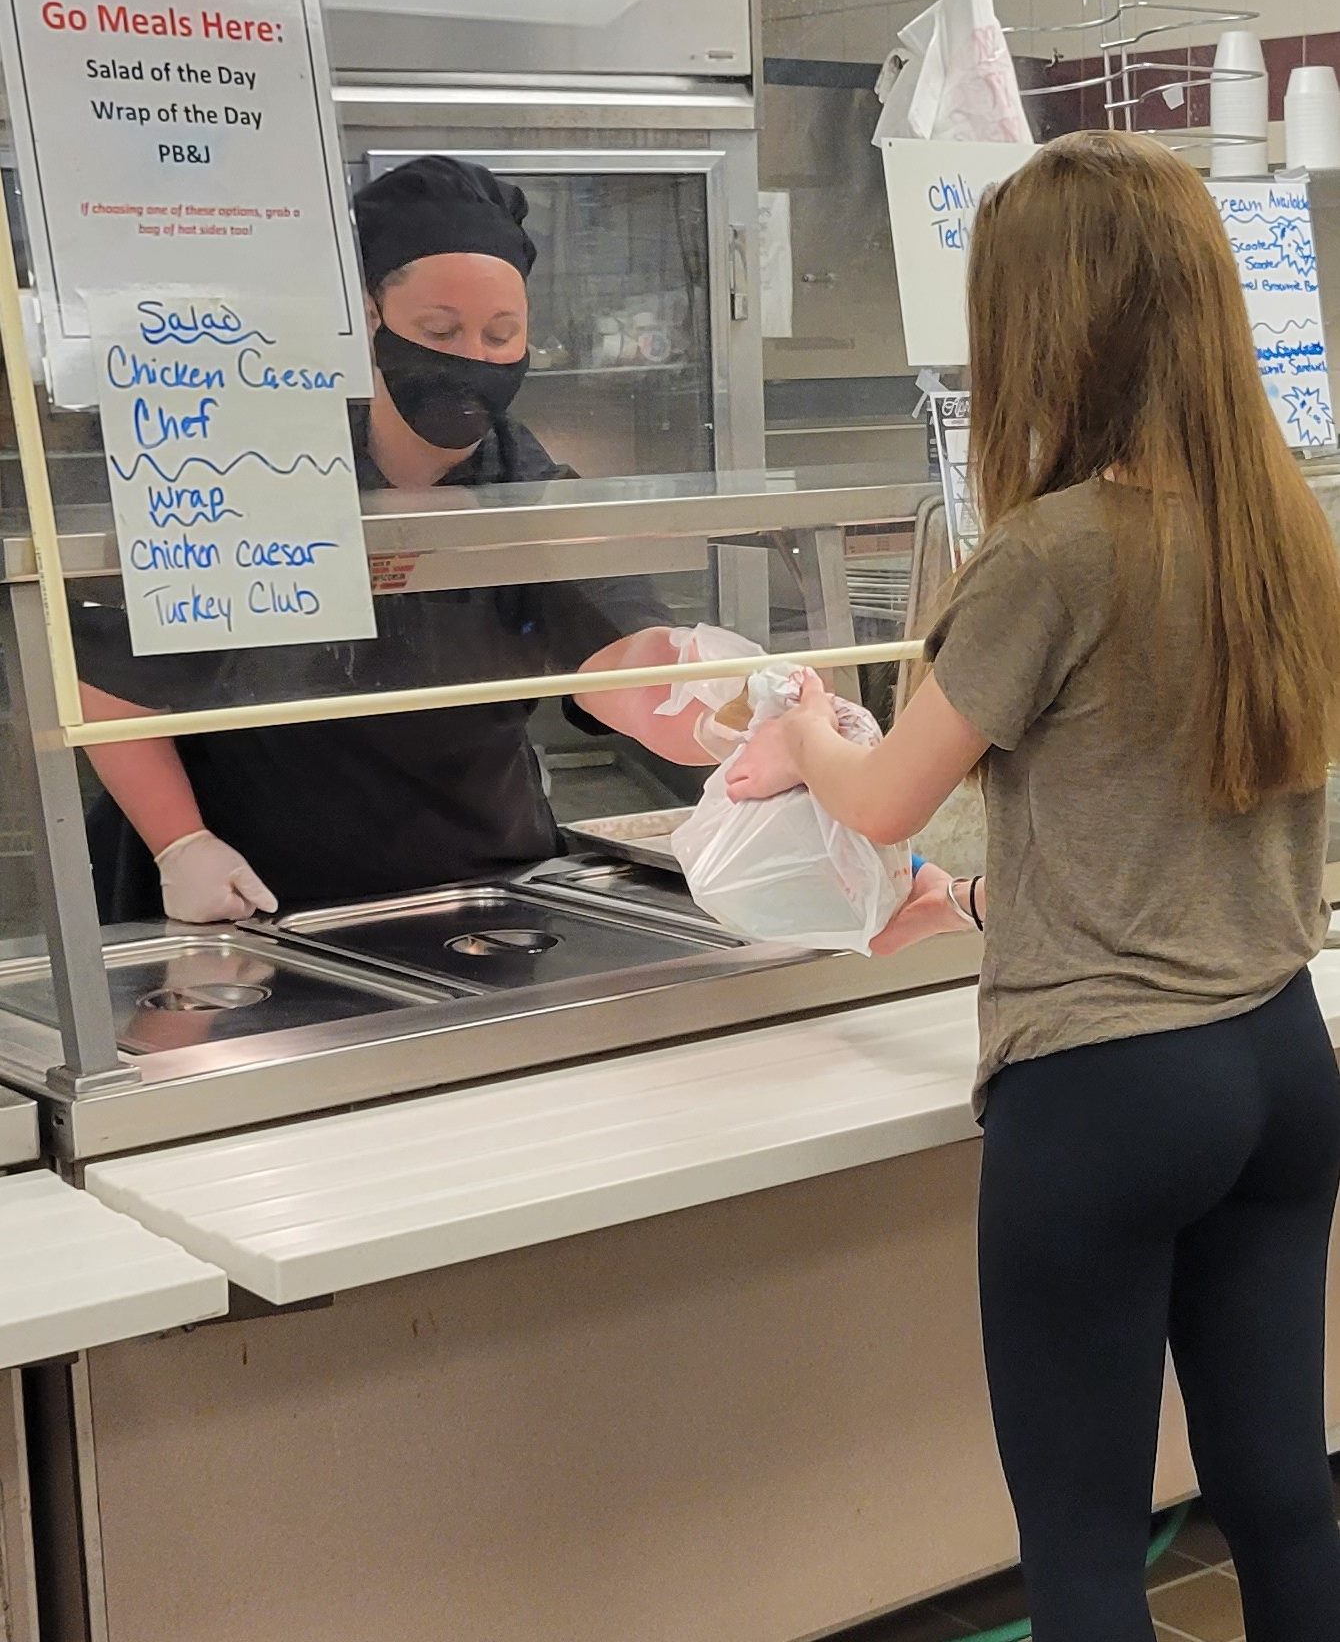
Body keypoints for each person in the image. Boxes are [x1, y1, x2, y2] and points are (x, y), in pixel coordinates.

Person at [728, 130, 1340, 1641]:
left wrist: (799, 730)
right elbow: (1151, 793)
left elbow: (886, 801)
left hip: (1106, 1088)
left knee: (1080, 1547)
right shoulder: (1287, 531)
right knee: (1282, 1494)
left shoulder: (1051, 553)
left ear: (1042, 329)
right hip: (1279, 1057)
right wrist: (1007, 893)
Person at [79, 156, 713, 923]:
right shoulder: (258, 467)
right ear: (369, 321)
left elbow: (621, 655)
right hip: (257, 894)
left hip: (484, 890)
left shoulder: (525, 484)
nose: (473, 358)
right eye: (440, 331)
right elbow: (110, 678)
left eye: (502, 334)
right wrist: (181, 844)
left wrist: (721, 695)